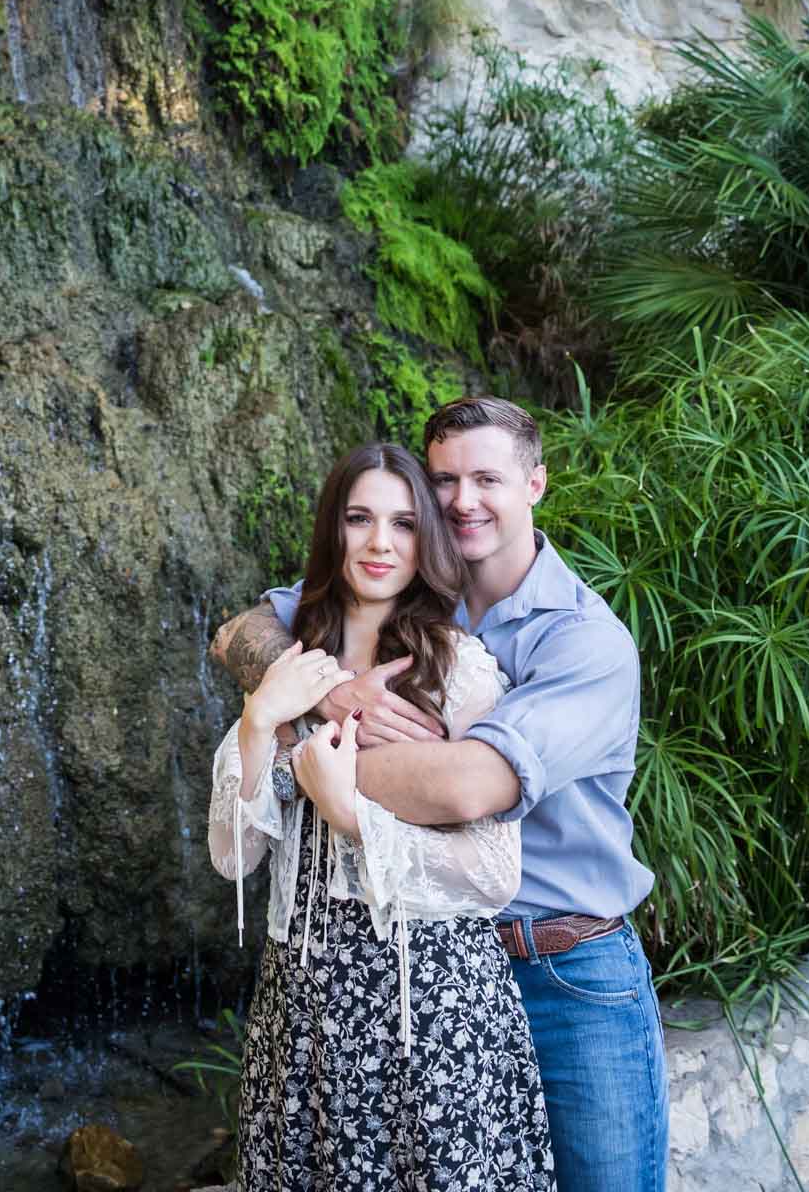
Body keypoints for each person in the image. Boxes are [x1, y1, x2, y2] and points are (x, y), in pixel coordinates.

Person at [212, 396, 669, 1192]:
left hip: (562, 966)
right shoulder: (403, 591)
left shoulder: (582, 640)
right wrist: (326, 694)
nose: (461, 499)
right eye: (444, 479)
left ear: (535, 484)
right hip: (423, 964)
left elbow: (469, 789)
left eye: (485, 478)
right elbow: (242, 631)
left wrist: (309, 764)